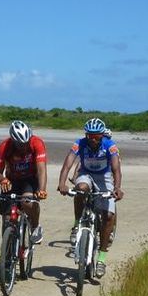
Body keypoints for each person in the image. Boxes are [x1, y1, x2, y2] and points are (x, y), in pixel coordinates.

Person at [57, 117, 123, 277]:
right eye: (89, 136)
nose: (93, 139)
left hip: (104, 177)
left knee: (108, 216)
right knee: (80, 189)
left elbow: (116, 169)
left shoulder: (110, 146)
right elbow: (67, 164)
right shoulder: (79, 143)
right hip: (86, 174)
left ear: (102, 135)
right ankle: (77, 224)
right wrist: (62, 183)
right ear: (85, 135)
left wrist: (117, 188)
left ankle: (101, 258)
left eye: (97, 136)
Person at [0, 119, 48, 243]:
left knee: (27, 202)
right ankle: (7, 252)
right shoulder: (4, 146)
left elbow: (41, 170)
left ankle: (35, 226)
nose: (23, 147)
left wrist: (42, 189)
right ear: (13, 140)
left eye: (26, 143)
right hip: (11, 181)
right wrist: (3, 180)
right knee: (7, 218)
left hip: (30, 180)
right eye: (19, 144)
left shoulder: (37, 143)